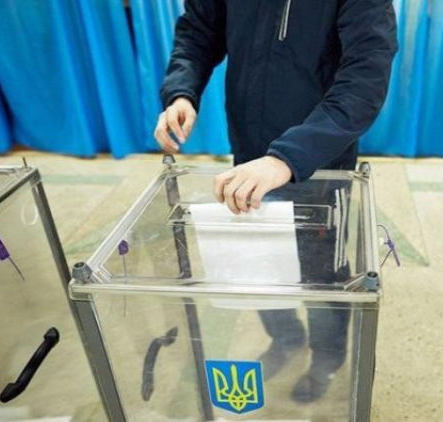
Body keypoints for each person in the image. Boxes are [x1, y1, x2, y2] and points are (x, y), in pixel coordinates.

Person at [155, 0, 397, 403]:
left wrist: (289, 157)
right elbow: (199, 30)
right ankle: (286, 337)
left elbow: (365, 79)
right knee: (258, 261)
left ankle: (327, 358)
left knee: (323, 276)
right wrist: (182, 91)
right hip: (250, 149)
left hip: (319, 160)